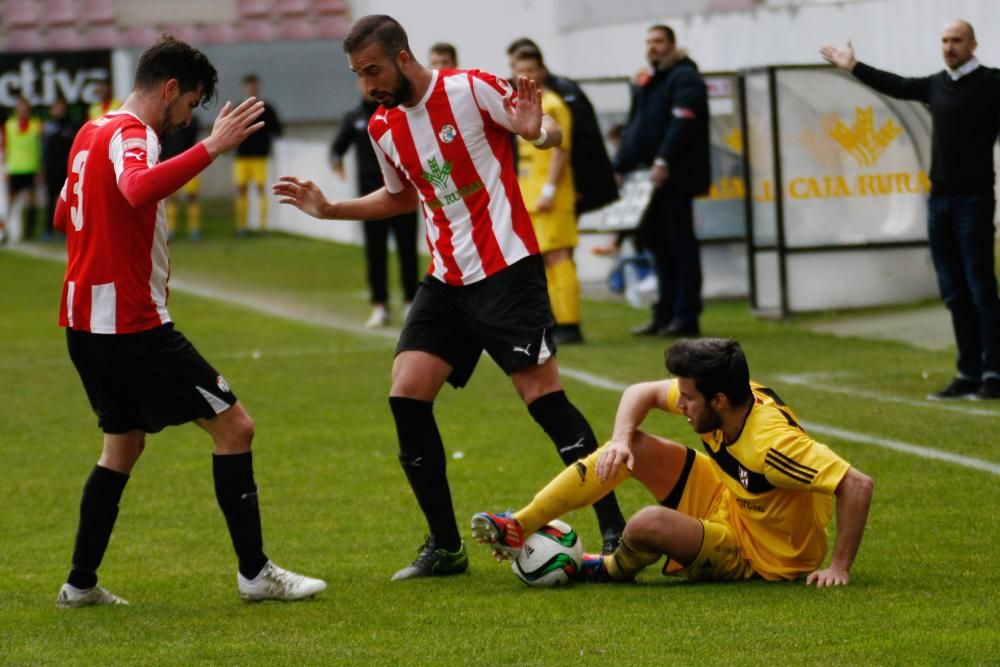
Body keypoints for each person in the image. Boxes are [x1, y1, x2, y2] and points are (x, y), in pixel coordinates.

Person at [274, 14, 626, 581]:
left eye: (372, 71)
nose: (367, 86)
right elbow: (398, 197)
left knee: (544, 400)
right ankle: (445, 546)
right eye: (357, 75)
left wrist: (537, 131)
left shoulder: (470, 87)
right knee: (406, 394)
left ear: (402, 57)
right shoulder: (384, 127)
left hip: (507, 269)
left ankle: (615, 527)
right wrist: (332, 208)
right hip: (446, 280)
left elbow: (547, 132)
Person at [52, 36, 325, 608]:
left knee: (121, 448)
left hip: (83, 321)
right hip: (131, 323)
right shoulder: (133, 134)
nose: (188, 119)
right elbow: (133, 188)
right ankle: (255, 573)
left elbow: (62, 212)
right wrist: (213, 149)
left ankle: (80, 584)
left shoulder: (90, 131)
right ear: (170, 89)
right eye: (191, 104)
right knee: (236, 428)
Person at [473, 338, 874, 587]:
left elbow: (857, 484)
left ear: (717, 400)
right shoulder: (730, 396)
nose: (678, 403)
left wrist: (839, 566)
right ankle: (519, 524)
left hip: (761, 553)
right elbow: (640, 392)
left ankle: (607, 568)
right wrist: (620, 441)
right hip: (729, 499)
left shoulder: (773, 446)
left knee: (646, 523)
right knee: (634, 446)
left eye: (687, 398)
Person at [821, 21, 1000, 401]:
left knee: (980, 288)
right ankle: (967, 372)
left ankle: (993, 372)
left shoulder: (991, 83)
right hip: (940, 199)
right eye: (945, 40)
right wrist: (854, 66)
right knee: (953, 290)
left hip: (974, 198)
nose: (949, 47)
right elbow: (899, 86)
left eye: (956, 41)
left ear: (973, 44)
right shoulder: (937, 84)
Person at [615, 25, 710, 338]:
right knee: (657, 248)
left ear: (672, 45)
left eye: (658, 41)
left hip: (674, 178)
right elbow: (636, 127)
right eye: (649, 42)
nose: (652, 47)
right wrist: (620, 165)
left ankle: (686, 316)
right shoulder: (649, 81)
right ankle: (663, 313)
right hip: (647, 179)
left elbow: (682, 125)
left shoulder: (684, 77)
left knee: (680, 246)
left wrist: (664, 160)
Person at [511, 46, 584, 344]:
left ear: (542, 71)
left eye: (531, 70)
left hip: (551, 195)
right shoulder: (524, 105)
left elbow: (560, 152)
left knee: (558, 256)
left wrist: (551, 190)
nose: (526, 76)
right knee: (542, 260)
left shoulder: (553, 104)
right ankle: (553, 318)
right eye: (520, 70)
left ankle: (570, 322)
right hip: (530, 193)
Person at [330, 89, 419, 328]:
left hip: (403, 196)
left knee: (408, 251)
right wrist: (336, 162)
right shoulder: (354, 117)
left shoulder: (398, 112)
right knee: (375, 254)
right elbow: (336, 148)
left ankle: (412, 303)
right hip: (370, 200)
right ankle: (379, 306)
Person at [505, 37, 618, 217]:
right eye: (516, 68)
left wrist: (577, 184)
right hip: (529, 185)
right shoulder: (512, 96)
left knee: (558, 243)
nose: (521, 74)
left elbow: (570, 143)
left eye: (529, 69)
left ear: (541, 69)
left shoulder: (558, 96)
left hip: (559, 184)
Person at [233, 74, 282, 235]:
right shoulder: (238, 108)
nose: (251, 89)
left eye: (254, 86)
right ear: (245, 88)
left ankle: (263, 226)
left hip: (260, 156)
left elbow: (278, 130)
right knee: (241, 190)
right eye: (249, 86)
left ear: (258, 87)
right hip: (242, 156)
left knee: (261, 189)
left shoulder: (266, 108)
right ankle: (242, 226)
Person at [2, 96, 43, 242]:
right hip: (15, 169)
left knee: (32, 201)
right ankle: (4, 231)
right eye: (20, 108)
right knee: (10, 202)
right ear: (16, 109)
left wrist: (40, 168)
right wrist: (6, 168)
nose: (23, 111)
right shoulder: (9, 125)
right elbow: (6, 147)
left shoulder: (35, 125)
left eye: (25, 108)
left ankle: (30, 232)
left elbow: (40, 148)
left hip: (31, 168)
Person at [41, 96, 78, 241]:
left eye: (61, 107)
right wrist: (42, 168)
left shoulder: (71, 126)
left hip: (66, 169)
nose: (58, 110)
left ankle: (67, 228)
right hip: (51, 169)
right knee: (50, 200)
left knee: (68, 199)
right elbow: (43, 149)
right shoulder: (47, 127)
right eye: (56, 107)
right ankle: (49, 230)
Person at [161, 114, 203, 241]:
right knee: (171, 198)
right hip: (170, 164)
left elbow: (192, 140)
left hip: (189, 164)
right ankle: (170, 230)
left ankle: (195, 230)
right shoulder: (166, 120)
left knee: (192, 197)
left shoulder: (193, 120)